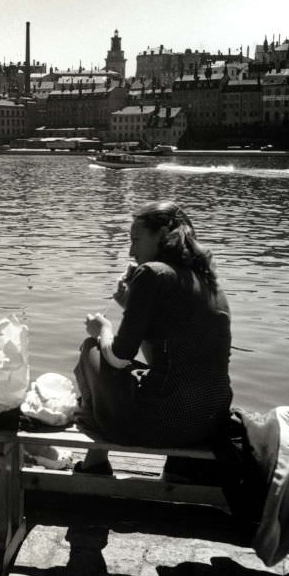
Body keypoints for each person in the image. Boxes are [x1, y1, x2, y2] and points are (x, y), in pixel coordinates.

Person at [73, 200, 232, 473]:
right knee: (142, 376)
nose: (131, 250)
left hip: (162, 424)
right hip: (209, 422)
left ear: (160, 236)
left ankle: (96, 460)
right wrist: (130, 308)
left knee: (91, 351)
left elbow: (120, 358)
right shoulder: (207, 279)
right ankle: (178, 469)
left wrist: (103, 330)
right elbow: (166, 354)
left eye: (135, 240)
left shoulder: (152, 273)